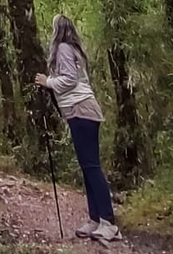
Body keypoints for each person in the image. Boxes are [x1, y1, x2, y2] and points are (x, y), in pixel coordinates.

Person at [35, 14, 121, 243]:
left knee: (92, 166)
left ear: (58, 30)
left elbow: (69, 80)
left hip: (81, 110)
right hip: (82, 111)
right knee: (87, 166)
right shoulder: (73, 50)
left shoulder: (63, 48)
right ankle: (95, 219)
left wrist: (48, 82)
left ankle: (108, 223)